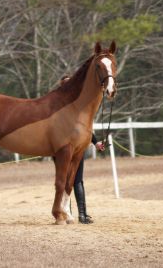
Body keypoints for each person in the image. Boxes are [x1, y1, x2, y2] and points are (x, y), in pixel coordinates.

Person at [59, 75, 105, 224]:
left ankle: (82, 215)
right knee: (67, 181)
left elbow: (85, 129)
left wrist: (96, 143)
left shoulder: (76, 106)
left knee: (76, 181)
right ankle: (68, 214)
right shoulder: (63, 106)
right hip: (62, 150)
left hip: (76, 148)